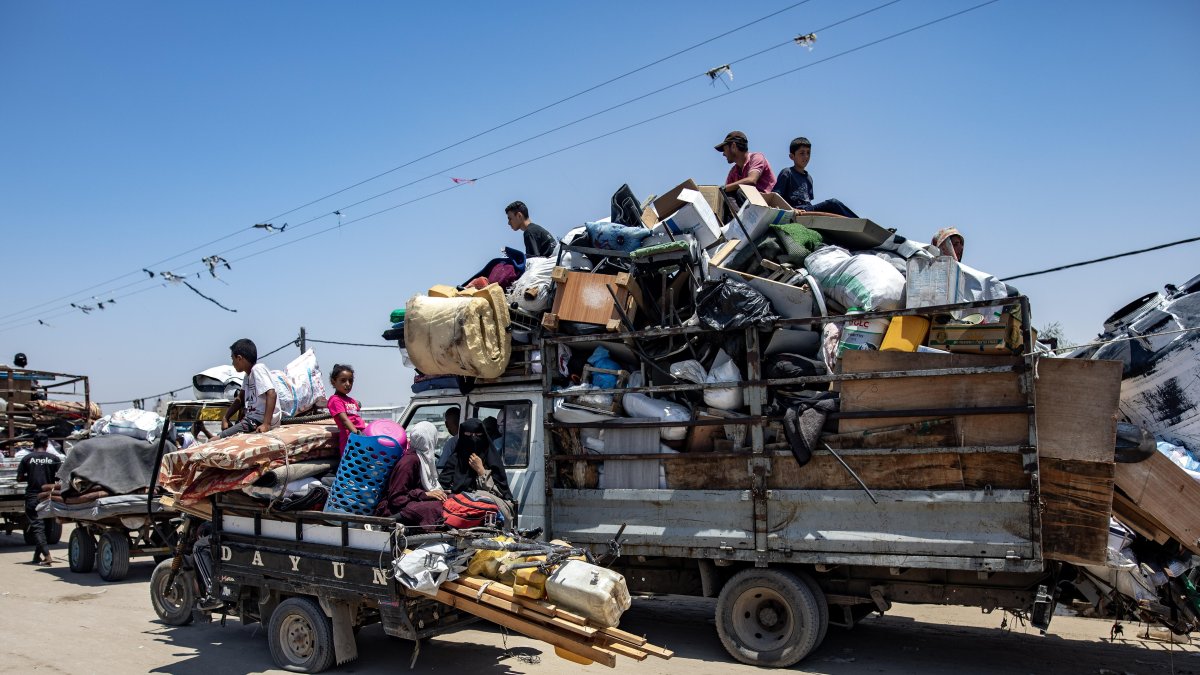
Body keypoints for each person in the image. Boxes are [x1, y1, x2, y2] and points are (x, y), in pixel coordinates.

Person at [375, 421, 446, 528]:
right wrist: (425, 495)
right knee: (434, 507)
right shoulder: (410, 461)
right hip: (394, 511)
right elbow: (396, 498)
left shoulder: (421, 459)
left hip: (409, 503)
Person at [772, 137, 859, 218]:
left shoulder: (809, 178)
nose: (806, 156)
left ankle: (858, 225)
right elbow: (775, 197)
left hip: (809, 209)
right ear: (792, 156)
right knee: (833, 203)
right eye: (802, 153)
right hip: (797, 211)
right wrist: (792, 210)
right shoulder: (787, 173)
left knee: (836, 212)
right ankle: (859, 222)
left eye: (808, 153)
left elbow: (808, 201)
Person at [438, 418, 513, 505]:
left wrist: (481, 471)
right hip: (458, 508)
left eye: (478, 434)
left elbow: (501, 493)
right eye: (468, 434)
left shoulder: (491, 460)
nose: (473, 438)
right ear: (462, 436)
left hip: (485, 510)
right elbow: (443, 485)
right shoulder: (455, 459)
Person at [219, 339, 280, 437]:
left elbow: (271, 393)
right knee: (224, 436)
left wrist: (266, 424)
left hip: (257, 420)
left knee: (216, 439)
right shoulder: (247, 376)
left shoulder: (258, 369)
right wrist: (226, 417)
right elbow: (240, 399)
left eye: (232, 359)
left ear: (239, 358)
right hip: (251, 420)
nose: (232, 363)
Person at [16, 433, 60, 566]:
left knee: (37, 527)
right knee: (45, 527)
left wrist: (30, 477)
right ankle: (37, 556)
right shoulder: (54, 458)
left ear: (33, 445)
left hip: (32, 497)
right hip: (48, 497)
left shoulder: (27, 458)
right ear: (46, 445)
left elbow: (19, 478)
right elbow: (59, 479)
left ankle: (47, 556)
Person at [716, 130, 776, 196]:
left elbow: (751, 180)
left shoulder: (756, 158)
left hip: (767, 203)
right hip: (750, 203)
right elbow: (725, 192)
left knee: (741, 191)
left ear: (733, 146)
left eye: (724, 149)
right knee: (726, 195)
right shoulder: (733, 172)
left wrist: (722, 188)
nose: (723, 154)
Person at [327, 364, 366, 455]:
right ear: (333, 382)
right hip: (350, 437)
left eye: (350, 381)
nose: (348, 384)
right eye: (343, 380)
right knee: (353, 464)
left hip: (361, 435)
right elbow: (344, 420)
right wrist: (357, 433)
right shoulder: (335, 400)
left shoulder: (351, 400)